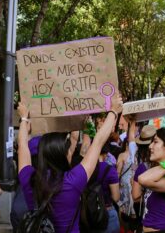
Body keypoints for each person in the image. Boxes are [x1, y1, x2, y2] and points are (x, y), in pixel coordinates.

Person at [17, 95, 123, 233]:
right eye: (69, 149)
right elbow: (98, 142)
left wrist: (24, 118)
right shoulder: (72, 181)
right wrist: (113, 111)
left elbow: (22, 145)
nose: (71, 151)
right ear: (63, 154)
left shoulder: (28, 179)